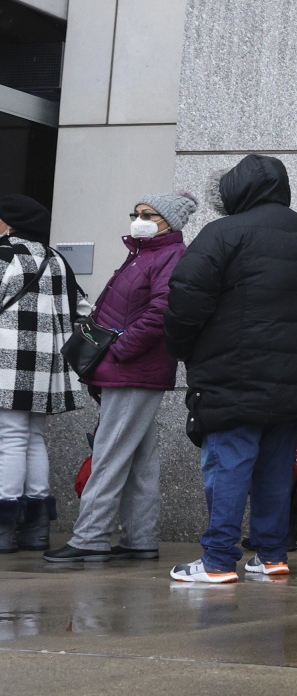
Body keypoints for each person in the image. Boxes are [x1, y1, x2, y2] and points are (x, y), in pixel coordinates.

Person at [164, 156, 297, 584]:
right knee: (274, 470)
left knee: (228, 464)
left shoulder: (223, 233)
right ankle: (271, 555)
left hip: (234, 377)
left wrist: (184, 351)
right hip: (295, 382)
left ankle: (217, 560)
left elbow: (185, 303)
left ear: (236, 191)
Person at [43, 192, 196, 563]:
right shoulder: (146, 254)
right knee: (141, 460)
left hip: (133, 369)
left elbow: (162, 311)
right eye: (137, 212)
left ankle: (90, 537)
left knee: (109, 454)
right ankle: (141, 539)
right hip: (132, 370)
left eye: (148, 214)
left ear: (170, 222)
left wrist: (120, 349)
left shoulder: (168, 256)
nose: (138, 219)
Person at [0, 196, 82, 555]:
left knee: (10, 438)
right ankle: (35, 528)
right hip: (47, 365)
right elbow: (82, 307)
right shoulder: (56, 259)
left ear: (9, 222)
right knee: (33, 437)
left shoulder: (4, 254)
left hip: (7, 360)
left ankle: (3, 524)